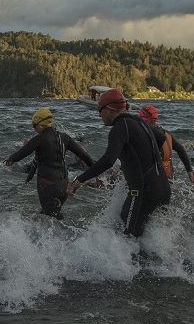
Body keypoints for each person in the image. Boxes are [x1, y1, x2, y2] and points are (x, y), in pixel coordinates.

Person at [66, 89, 171, 238]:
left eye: (100, 110)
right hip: (163, 188)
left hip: (143, 191)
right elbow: (161, 138)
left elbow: (108, 160)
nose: (99, 115)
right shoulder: (139, 121)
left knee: (127, 236)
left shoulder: (119, 127)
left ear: (109, 109)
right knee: (146, 238)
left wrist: (79, 181)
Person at [3, 107, 95, 219]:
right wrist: (97, 173)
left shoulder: (39, 139)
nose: (34, 129)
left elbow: (20, 154)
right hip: (64, 185)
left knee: (53, 219)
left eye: (34, 125)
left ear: (41, 125)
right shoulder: (65, 138)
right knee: (48, 216)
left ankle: (70, 235)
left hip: (48, 186)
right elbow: (85, 156)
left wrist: (9, 159)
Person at [138, 105, 194, 185]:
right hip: (169, 179)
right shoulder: (166, 134)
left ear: (143, 120)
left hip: (155, 181)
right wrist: (189, 171)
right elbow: (180, 149)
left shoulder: (146, 135)